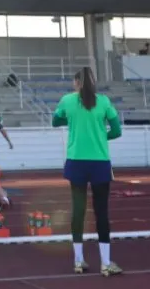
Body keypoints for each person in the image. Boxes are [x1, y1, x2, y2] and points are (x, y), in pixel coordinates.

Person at [52, 66, 123, 276]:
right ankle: (106, 263)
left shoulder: (67, 100)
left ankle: (78, 260)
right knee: (102, 212)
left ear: (77, 83)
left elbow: (55, 121)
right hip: (100, 161)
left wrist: (72, 121)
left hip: (76, 161)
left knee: (78, 210)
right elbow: (117, 131)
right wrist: (101, 136)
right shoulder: (104, 101)